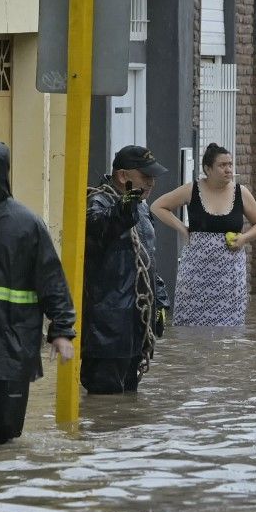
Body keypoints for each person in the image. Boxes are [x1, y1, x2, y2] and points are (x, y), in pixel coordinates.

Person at [0, 140, 76, 445]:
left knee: (5, 432)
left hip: (11, 345)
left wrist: (62, 330)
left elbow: (52, 278)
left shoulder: (25, 224)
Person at [81, 145, 170, 394]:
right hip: (107, 327)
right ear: (123, 176)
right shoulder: (97, 201)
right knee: (105, 401)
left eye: (153, 177)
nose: (151, 182)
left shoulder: (140, 206)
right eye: (145, 176)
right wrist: (123, 210)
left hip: (136, 323)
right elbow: (100, 228)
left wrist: (160, 303)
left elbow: (147, 258)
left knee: (129, 404)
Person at [150, 143, 256, 326]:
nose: (228, 169)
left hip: (229, 276)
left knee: (229, 330)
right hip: (195, 274)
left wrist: (243, 238)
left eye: (230, 164)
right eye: (222, 165)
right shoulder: (192, 190)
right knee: (190, 327)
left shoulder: (241, 192)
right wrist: (182, 228)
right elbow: (157, 206)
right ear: (207, 169)